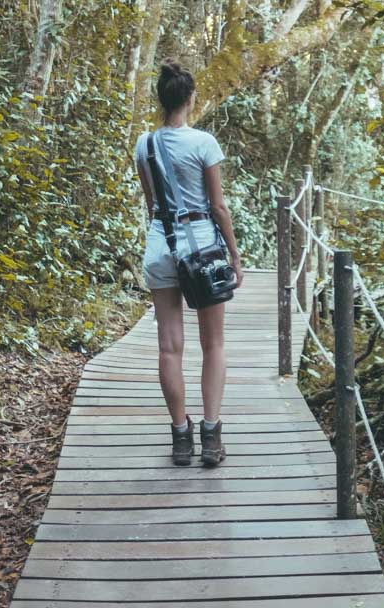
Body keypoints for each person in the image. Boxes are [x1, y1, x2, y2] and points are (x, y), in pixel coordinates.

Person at [134, 61, 242, 468]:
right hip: (203, 251)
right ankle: (211, 438)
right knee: (213, 344)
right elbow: (217, 205)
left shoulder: (144, 145)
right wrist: (234, 254)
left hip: (162, 246)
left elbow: (152, 205)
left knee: (169, 346)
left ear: (161, 100)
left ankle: (181, 437)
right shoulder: (203, 143)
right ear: (191, 98)